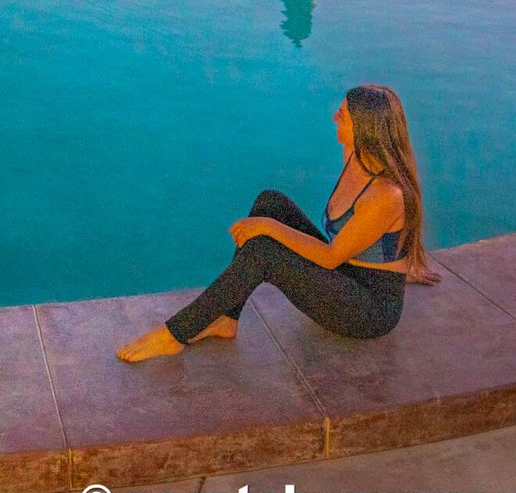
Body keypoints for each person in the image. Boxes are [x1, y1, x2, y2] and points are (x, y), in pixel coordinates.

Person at [117, 83, 437, 362]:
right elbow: (374, 238)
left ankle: (175, 334)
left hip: (369, 310)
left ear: (365, 128)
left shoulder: (386, 194)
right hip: (348, 275)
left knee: (265, 250)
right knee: (271, 203)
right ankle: (227, 318)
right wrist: (402, 262)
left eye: (344, 115)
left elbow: (330, 256)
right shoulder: (356, 155)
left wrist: (269, 228)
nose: (335, 118)